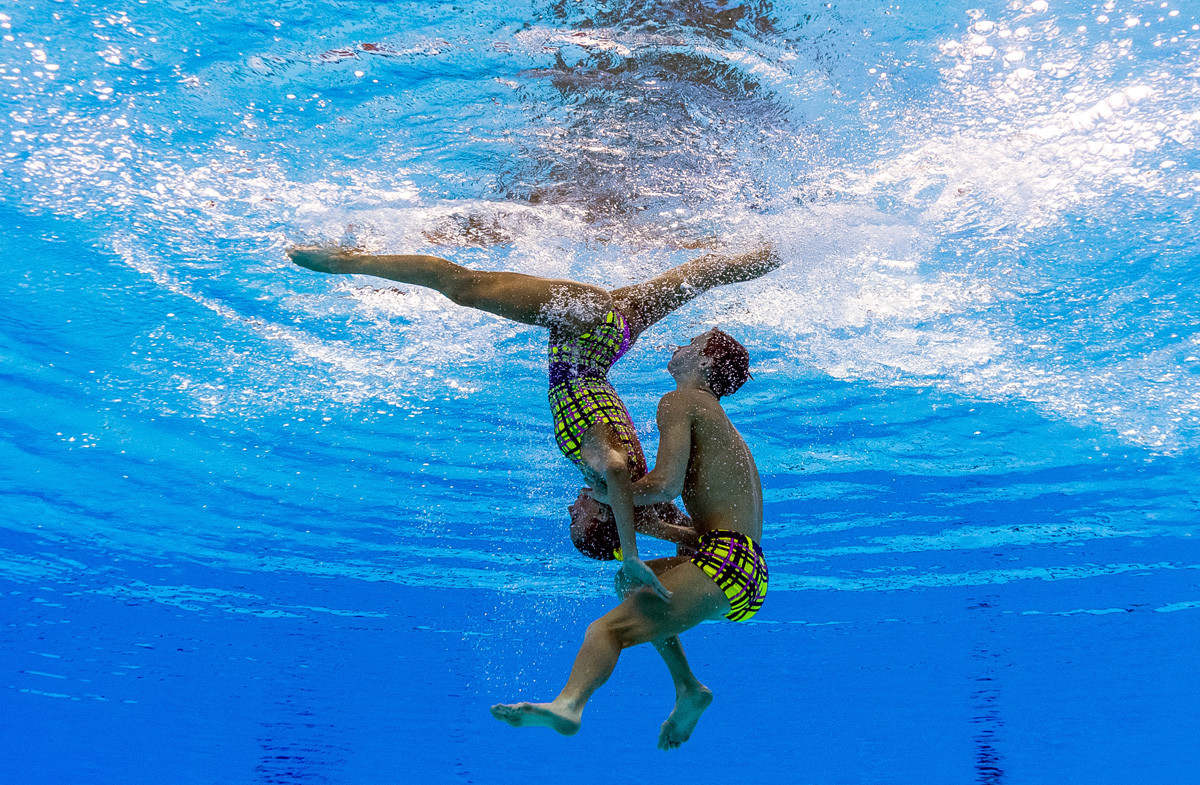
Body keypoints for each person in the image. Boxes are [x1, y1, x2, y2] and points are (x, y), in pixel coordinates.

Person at [286, 243, 778, 598]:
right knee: (464, 287)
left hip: (607, 338)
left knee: (696, 277)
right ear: (602, 515)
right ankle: (347, 262)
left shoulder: (625, 489)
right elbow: (616, 476)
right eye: (578, 520)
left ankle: (776, 250)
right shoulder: (608, 473)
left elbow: (667, 524)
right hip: (584, 324)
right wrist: (629, 554)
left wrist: (652, 539)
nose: (571, 510)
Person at [491, 328, 767, 749]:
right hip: (738, 565)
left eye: (690, 344)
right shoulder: (720, 425)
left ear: (706, 363)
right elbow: (704, 524)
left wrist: (608, 491)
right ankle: (689, 689)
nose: (677, 347)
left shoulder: (681, 401)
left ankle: (568, 706)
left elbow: (664, 485)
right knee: (628, 584)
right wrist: (651, 524)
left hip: (727, 565)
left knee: (607, 631)